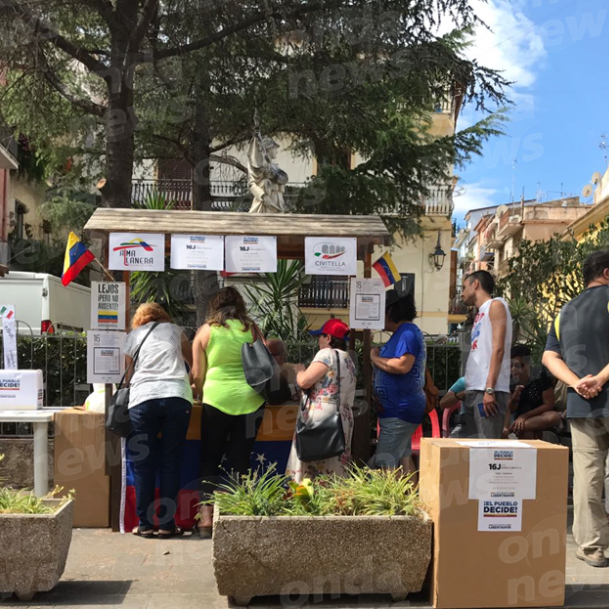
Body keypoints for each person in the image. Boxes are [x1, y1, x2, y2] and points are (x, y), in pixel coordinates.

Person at [543, 250, 609, 568]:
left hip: (581, 406)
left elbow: (549, 357)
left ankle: (592, 547)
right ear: (607, 273)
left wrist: (577, 383)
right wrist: (600, 378)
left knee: (586, 476)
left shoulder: (564, 311)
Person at [192, 287, 266, 537]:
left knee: (209, 458)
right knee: (240, 459)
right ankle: (235, 515)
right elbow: (265, 362)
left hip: (216, 399)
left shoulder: (206, 331)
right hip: (251, 400)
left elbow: (197, 374)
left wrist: (200, 394)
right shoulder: (251, 329)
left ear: (215, 306)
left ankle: (205, 519)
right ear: (240, 305)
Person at [125, 303, 193, 538]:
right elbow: (192, 362)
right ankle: (166, 524)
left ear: (139, 319)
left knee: (144, 463)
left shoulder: (133, 335)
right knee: (170, 462)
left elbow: (129, 372)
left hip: (143, 398)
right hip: (176, 396)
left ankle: (144, 524)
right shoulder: (175, 330)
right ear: (163, 316)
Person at [285, 319, 356, 482]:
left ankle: (307, 499)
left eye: (320, 337)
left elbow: (305, 382)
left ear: (329, 338)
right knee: (335, 464)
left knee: (311, 463)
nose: (318, 341)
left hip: (321, 416)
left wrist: (300, 371)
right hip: (342, 417)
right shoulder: (348, 359)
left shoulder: (326, 354)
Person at [369, 290, 426, 474]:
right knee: (403, 457)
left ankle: (387, 501)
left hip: (399, 410)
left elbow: (402, 366)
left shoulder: (407, 333)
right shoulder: (403, 333)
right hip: (397, 409)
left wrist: (374, 358)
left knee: (385, 461)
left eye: (382, 311)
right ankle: (412, 500)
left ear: (392, 310)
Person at [462, 270, 513, 439]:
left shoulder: (496, 305)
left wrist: (490, 388)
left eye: (464, 287)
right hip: (476, 390)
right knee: (475, 451)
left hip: (489, 390)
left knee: (488, 450)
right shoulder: (480, 313)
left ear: (475, 284)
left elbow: (498, 348)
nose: (461, 293)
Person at [503, 344, 560, 439]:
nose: (513, 370)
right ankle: (517, 427)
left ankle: (510, 429)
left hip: (539, 415)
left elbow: (549, 404)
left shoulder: (540, 375)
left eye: (517, 365)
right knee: (526, 432)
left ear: (527, 362)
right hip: (517, 417)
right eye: (510, 366)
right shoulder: (510, 380)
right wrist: (515, 397)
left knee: (553, 417)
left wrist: (524, 416)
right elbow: (510, 409)